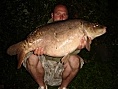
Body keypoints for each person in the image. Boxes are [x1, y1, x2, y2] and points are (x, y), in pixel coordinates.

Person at [23, 4, 86, 89]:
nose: (61, 16)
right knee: (32, 58)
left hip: (61, 69)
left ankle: (63, 87)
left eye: (64, 14)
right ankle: (42, 86)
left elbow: (70, 51)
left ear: (67, 16)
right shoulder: (43, 30)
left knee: (75, 60)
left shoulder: (73, 29)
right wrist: (37, 52)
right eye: (58, 14)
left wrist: (78, 48)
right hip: (44, 68)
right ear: (52, 15)